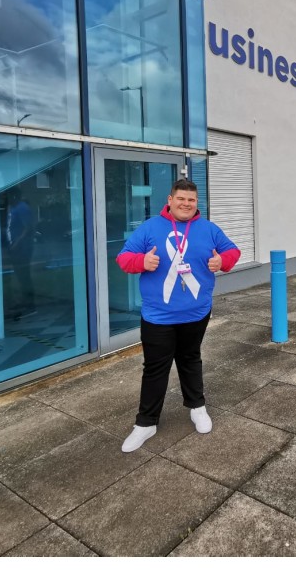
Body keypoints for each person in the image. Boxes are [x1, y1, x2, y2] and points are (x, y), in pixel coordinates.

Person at [116, 178, 240, 452]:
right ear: (170, 200)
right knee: (155, 368)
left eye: (191, 200)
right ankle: (146, 423)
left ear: (197, 203)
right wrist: (142, 262)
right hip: (158, 316)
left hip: (197, 313)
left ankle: (197, 407)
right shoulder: (150, 227)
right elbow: (124, 258)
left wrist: (223, 261)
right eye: (181, 199)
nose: (186, 204)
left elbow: (233, 251)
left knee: (190, 359)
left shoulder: (208, 228)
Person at [6, 190, 36, 319]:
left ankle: (30, 305)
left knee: (24, 276)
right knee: (20, 275)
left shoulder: (22, 208)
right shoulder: (14, 208)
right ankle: (25, 302)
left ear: (14, 196)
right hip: (16, 247)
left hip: (22, 248)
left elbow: (28, 228)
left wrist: (16, 243)